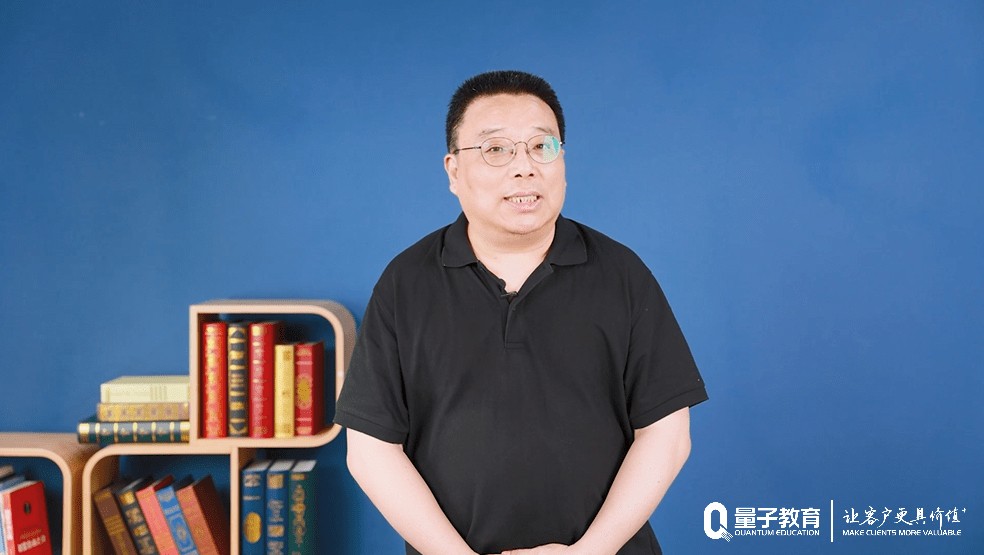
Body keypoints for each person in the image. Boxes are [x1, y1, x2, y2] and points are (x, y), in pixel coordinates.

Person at [334, 70, 708, 555]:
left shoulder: (622, 274)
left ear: (562, 163)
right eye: (496, 149)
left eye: (541, 147)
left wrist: (588, 553)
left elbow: (666, 435)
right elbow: (371, 449)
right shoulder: (405, 283)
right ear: (453, 171)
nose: (524, 168)